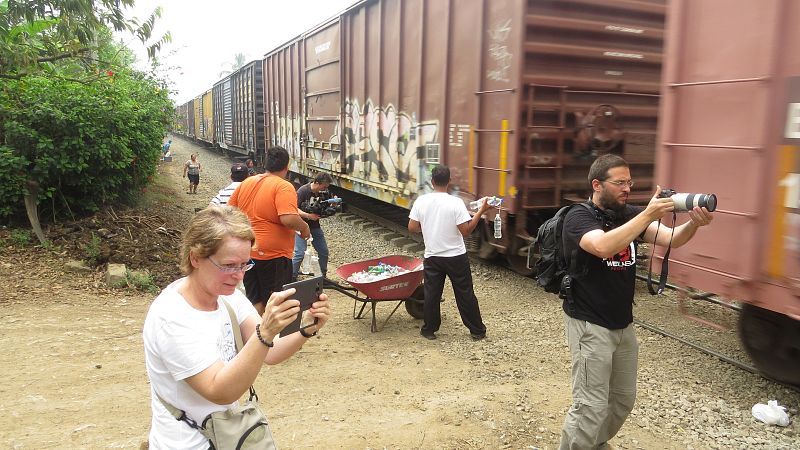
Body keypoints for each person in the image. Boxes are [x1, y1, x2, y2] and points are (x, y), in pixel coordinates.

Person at [558, 154, 713, 449]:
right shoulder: (578, 217)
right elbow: (602, 246)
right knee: (589, 406)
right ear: (597, 185)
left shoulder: (628, 215)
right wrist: (647, 215)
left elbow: (671, 239)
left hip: (622, 325)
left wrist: (694, 223)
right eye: (619, 183)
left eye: (630, 182)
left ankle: (593, 443)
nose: (627, 188)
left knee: (622, 399)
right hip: (590, 324)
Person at [143, 205, 330, 449]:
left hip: (226, 436)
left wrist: (306, 328)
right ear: (195, 258)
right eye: (229, 266)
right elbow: (220, 390)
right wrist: (265, 332)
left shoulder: (227, 296)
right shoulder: (172, 317)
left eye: (245, 265)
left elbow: (270, 352)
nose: (239, 275)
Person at [407, 165, 489, 341]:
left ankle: (429, 329)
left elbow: (412, 227)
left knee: (432, 294)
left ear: (432, 181)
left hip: (433, 256)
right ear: (449, 181)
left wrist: (429, 228)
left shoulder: (421, 201)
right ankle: (477, 331)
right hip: (456, 257)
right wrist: (481, 211)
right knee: (465, 293)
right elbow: (466, 231)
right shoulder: (455, 203)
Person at [229, 146, 311, 316]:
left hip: (248, 253)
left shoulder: (247, 182)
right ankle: (272, 340)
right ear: (286, 167)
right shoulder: (283, 186)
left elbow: (230, 212)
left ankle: (255, 337)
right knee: (276, 303)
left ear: (265, 164)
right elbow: (288, 219)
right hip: (274, 255)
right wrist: (305, 227)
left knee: (255, 300)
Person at [291, 173, 333, 281]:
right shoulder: (303, 191)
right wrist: (308, 216)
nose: (325, 189)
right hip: (300, 225)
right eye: (324, 186)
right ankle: (291, 277)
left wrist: (329, 210)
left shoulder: (323, 193)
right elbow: (294, 209)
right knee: (300, 253)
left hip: (314, 226)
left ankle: (322, 277)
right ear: (317, 183)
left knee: (323, 252)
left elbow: (324, 208)